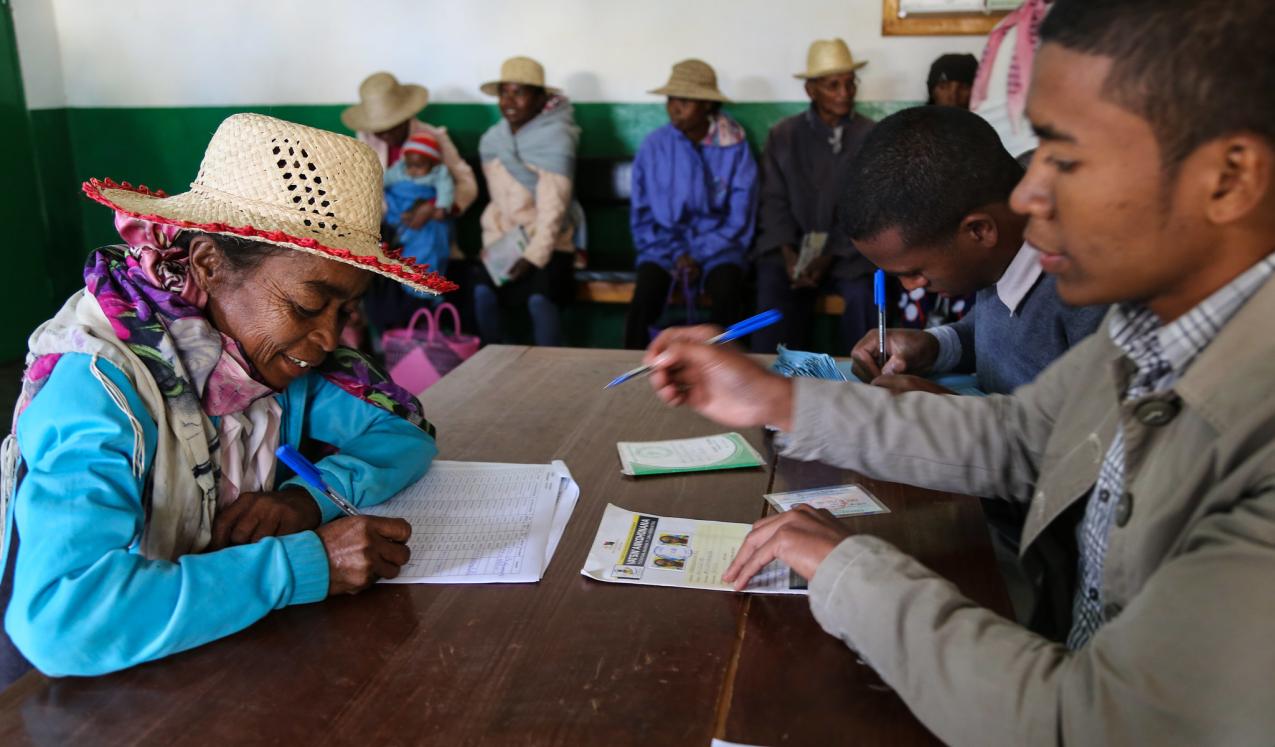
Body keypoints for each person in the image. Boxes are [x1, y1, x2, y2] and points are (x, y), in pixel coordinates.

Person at [644, 0, 1275, 742]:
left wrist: (850, 571)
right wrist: (776, 397)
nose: (1029, 194)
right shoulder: (1151, 325)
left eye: (1064, 156)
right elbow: (1022, 435)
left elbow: (1082, 723)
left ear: (1228, 179)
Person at [0, 114, 454, 683]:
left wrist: (307, 501)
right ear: (209, 264)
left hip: (216, 666)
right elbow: (63, 620)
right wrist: (306, 564)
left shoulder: (270, 363)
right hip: (96, 696)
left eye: (346, 311)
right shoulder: (100, 384)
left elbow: (404, 430)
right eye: (309, 306)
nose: (328, 339)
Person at [844, 106, 1106, 397]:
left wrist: (953, 412)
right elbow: (990, 333)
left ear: (979, 231)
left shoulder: (1089, 295)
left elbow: (1094, 432)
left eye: (914, 272)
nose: (910, 286)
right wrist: (934, 346)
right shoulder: (998, 252)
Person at [750, 39, 876, 355]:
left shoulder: (871, 135)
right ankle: (778, 379)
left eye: (850, 83)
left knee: (865, 292)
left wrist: (830, 253)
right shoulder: (784, 135)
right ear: (811, 91)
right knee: (772, 286)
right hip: (792, 251)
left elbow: (871, 205)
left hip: (849, 253)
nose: (845, 93)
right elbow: (773, 201)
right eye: (833, 85)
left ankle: (864, 380)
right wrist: (790, 253)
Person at [624, 59, 757, 350]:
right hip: (664, 249)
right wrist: (675, 255)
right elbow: (642, 216)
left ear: (708, 105)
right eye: (671, 99)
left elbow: (739, 218)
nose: (674, 107)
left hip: (720, 248)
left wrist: (697, 254)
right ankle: (633, 369)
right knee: (646, 292)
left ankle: (733, 370)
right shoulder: (654, 146)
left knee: (728, 291)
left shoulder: (735, 146)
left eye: (685, 100)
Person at [342, 72, 478, 334]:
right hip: (386, 239)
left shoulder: (431, 137)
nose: (386, 134)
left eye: (392, 125)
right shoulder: (364, 142)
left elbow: (466, 184)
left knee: (426, 300)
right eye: (379, 128)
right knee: (382, 307)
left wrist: (434, 206)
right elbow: (361, 194)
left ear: (406, 116)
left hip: (428, 234)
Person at [473, 56, 582, 347]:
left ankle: (551, 372)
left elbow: (553, 212)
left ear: (540, 98)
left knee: (539, 298)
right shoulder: (493, 140)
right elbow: (497, 205)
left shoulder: (556, 138)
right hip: (506, 240)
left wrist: (532, 257)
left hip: (549, 242)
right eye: (503, 92)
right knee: (482, 292)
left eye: (519, 92)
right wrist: (494, 247)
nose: (509, 100)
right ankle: (493, 365)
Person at [384, 133, 456, 293]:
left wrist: (441, 207)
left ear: (432, 163)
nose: (413, 170)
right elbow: (382, 181)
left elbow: (446, 190)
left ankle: (424, 288)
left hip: (427, 214)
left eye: (419, 166)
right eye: (409, 165)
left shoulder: (439, 172)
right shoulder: (400, 169)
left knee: (428, 246)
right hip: (401, 211)